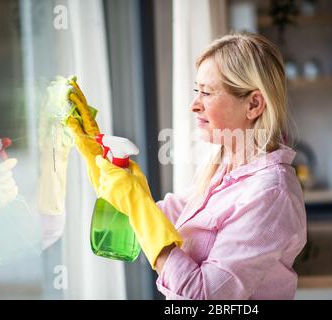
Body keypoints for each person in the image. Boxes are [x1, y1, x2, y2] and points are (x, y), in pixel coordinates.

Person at [67, 33, 307, 300]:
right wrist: (98, 158)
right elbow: (160, 220)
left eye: (206, 92)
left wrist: (137, 203)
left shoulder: (270, 193)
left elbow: (203, 297)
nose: (194, 105)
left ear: (253, 104)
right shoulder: (224, 168)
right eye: (197, 91)